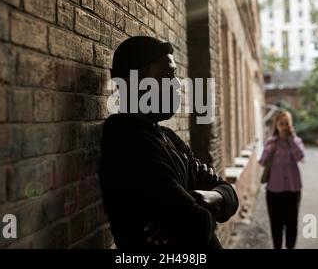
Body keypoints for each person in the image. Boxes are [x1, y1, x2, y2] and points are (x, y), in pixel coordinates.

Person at [99, 36, 239, 249]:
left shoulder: (168, 136)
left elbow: (228, 192)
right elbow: (196, 226)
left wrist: (207, 198)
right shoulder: (126, 140)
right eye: (168, 75)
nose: (177, 85)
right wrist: (211, 205)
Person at [259, 110, 305, 249]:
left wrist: (290, 139)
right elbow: (262, 161)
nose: (284, 126)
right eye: (281, 123)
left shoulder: (296, 141)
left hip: (293, 189)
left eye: (287, 123)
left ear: (290, 125)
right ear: (276, 125)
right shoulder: (271, 142)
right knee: (276, 224)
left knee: (292, 224)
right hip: (274, 190)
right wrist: (269, 149)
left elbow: (301, 157)